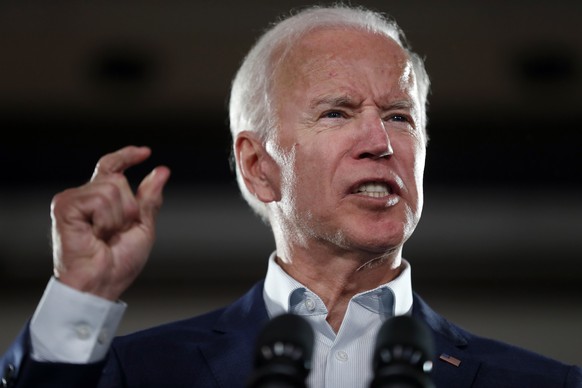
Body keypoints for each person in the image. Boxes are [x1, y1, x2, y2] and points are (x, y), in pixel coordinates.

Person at [1, 4, 581, 388]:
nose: (381, 142)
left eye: (401, 117)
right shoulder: (142, 373)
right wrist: (80, 297)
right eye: (338, 112)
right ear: (257, 167)